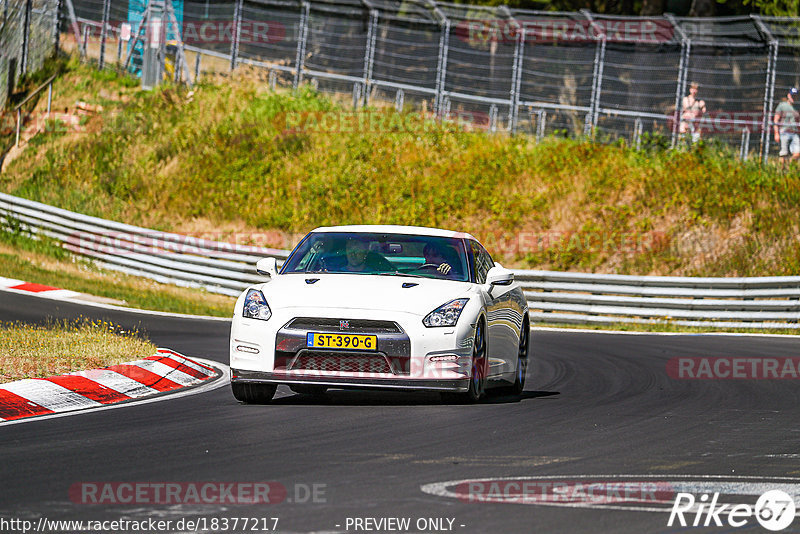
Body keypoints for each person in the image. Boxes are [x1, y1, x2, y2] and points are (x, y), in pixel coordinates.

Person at [774, 87, 800, 168]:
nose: (794, 98)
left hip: (795, 133)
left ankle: (790, 167)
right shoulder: (782, 105)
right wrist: (776, 133)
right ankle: (781, 172)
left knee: (797, 152)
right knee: (783, 153)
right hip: (784, 132)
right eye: (793, 95)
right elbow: (776, 120)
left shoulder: (798, 107)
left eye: (796, 96)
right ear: (789, 95)